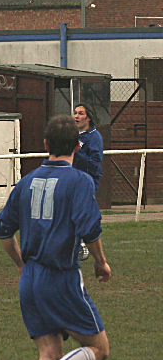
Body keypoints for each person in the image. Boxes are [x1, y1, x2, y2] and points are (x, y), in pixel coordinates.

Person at [0, 115, 110, 360]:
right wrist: (101, 262)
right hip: (61, 278)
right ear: (77, 146)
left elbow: (2, 229)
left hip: (30, 279)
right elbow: (90, 228)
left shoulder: (27, 181)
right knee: (99, 349)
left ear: (45, 145)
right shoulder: (80, 181)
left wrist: (21, 265)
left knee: (50, 353)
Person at [73, 103, 104, 261]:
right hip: (74, 179)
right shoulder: (74, 135)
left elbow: (94, 163)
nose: (76, 116)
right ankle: (75, 243)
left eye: (80, 113)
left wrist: (77, 153)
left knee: (82, 212)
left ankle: (84, 243)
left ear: (89, 117)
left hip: (88, 180)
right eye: (75, 113)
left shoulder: (94, 137)